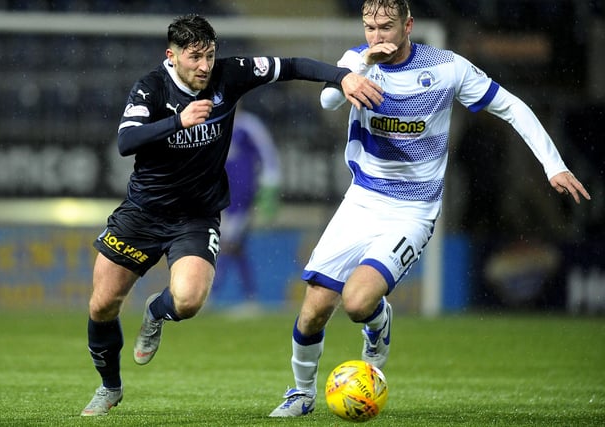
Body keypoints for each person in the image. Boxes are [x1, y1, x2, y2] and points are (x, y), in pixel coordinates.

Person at [269, 0, 591, 418]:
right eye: (369, 27)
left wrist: (554, 164)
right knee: (314, 307)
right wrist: (360, 66)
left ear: (409, 26)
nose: (377, 35)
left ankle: (376, 322)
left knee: (356, 303)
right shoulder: (356, 60)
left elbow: (510, 106)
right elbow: (329, 102)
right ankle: (301, 393)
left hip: (413, 210)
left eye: (386, 26)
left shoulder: (447, 68)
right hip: (362, 201)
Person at [80, 14, 383, 416]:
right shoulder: (151, 88)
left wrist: (343, 76)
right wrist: (177, 121)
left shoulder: (230, 74)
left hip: (197, 215)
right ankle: (110, 387)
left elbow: (291, 65)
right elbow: (125, 141)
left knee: (187, 302)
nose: (204, 66)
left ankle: (156, 311)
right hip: (142, 214)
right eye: (194, 57)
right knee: (102, 305)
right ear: (172, 56)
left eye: (209, 54)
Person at [211, 108, 281, 311]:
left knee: (226, 243)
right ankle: (251, 298)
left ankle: (213, 294)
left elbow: (268, 156)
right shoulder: (214, 124)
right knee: (235, 247)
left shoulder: (248, 125)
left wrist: (269, 188)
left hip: (241, 196)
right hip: (218, 195)